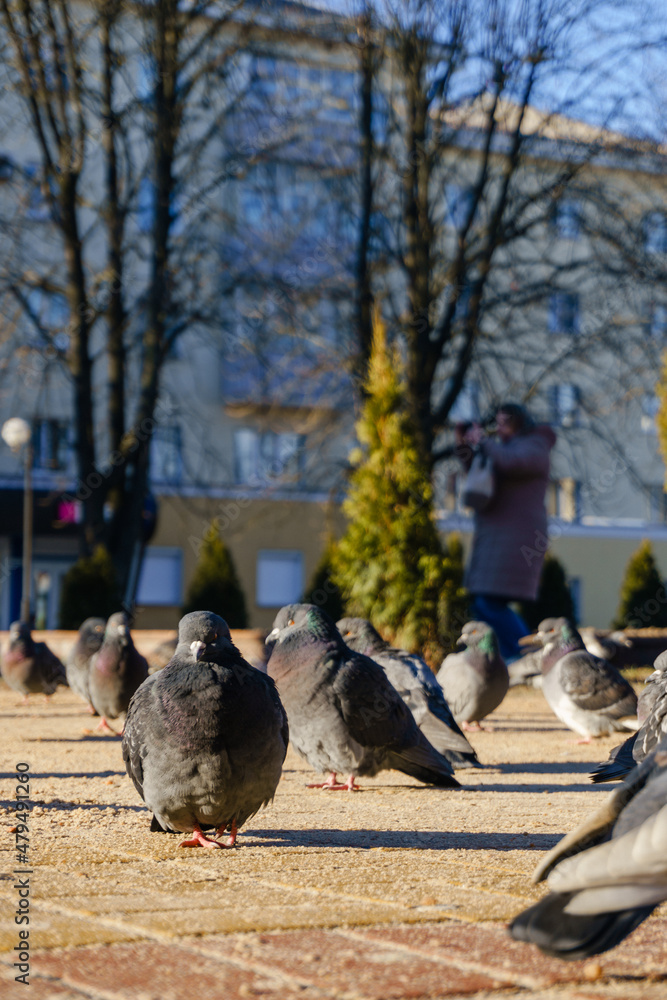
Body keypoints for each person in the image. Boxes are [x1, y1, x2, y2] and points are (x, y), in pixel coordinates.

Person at [455, 402, 557, 662]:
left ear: (519, 423)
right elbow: (477, 471)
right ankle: (508, 658)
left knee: (489, 602)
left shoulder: (535, 446)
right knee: (483, 602)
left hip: (518, 538)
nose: (498, 429)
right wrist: (463, 443)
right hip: (495, 535)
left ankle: (527, 655)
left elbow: (511, 462)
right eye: (497, 423)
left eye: (504, 423)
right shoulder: (502, 448)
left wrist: (483, 441)